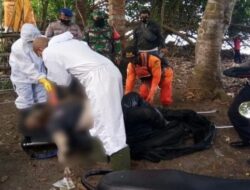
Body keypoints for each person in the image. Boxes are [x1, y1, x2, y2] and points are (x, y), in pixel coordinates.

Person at [33, 32, 130, 170]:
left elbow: (62, 81)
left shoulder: (48, 52)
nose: (41, 58)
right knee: (99, 118)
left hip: (99, 79)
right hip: (111, 71)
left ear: (40, 50)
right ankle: (101, 157)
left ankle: (122, 173)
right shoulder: (70, 43)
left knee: (109, 125)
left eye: (39, 56)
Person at [9, 23, 53, 113]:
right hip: (22, 77)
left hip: (40, 74)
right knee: (25, 100)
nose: (34, 42)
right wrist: (42, 79)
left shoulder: (42, 38)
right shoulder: (18, 48)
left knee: (42, 97)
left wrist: (43, 77)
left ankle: (41, 118)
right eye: (31, 41)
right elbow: (27, 67)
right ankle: (27, 120)